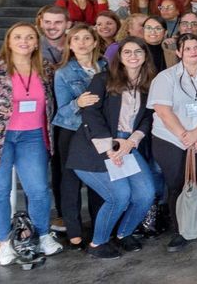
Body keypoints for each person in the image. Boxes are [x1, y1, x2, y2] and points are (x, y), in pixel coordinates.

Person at [0, 23, 63, 264]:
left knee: (39, 190)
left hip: (32, 137)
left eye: (30, 37)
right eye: (18, 37)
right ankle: (4, 243)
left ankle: (41, 235)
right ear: (8, 41)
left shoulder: (46, 69)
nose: (24, 41)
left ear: (36, 42)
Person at [65, 37, 156, 259]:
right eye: (127, 52)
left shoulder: (149, 84)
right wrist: (110, 148)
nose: (133, 56)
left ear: (145, 56)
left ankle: (124, 234)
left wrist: (131, 141)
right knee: (120, 196)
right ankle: (98, 243)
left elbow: (147, 116)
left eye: (138, 52)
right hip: (93, 149)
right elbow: (91, 113)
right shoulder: (103, 79)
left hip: (127, 145)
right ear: (120, 56)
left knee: (146, 194)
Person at [147, 34, 197, 251]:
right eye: (188, 48)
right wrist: (186, 136)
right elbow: (163, 110)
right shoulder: (165, 78)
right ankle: (179, 231)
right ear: (179, 52)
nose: (193, 51)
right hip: (171, 138)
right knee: (177, 185)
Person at [52, 24, 106, 248]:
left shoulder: (105, 66)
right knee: (70, 181)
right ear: (70, 44)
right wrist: (78, 103)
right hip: (72, 130)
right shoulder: (63, 72)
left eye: (86, 38)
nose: (82, 43)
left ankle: (98, 225)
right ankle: (73, 230)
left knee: (99, 179)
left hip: (97, 131)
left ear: (94, 42)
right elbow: (61, 110)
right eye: (76, 39)